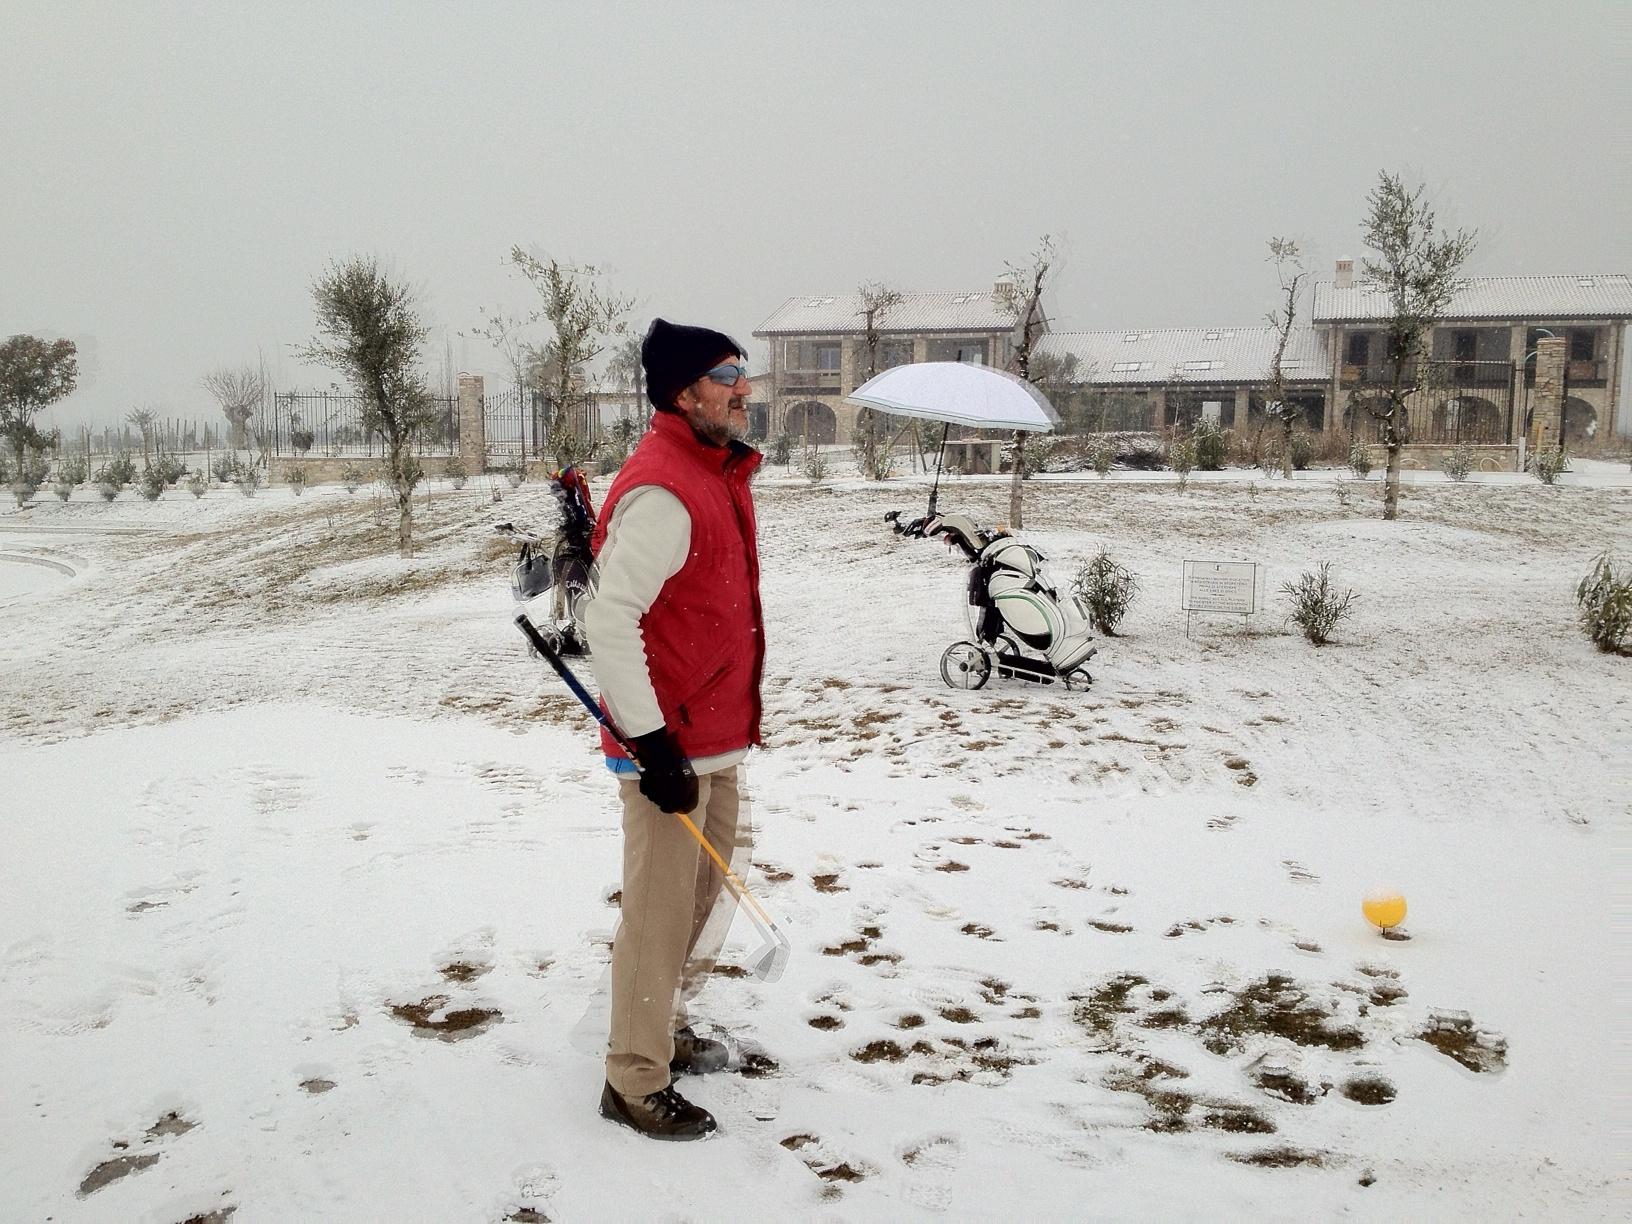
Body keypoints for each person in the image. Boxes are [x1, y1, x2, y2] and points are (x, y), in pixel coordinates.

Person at [584, 317, 764, 1140]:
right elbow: (608, 618)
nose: (742, 388)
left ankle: (661, 1026)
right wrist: (652, 744)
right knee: (658, 918)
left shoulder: (712, 472)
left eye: (741, 372)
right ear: (685, 393)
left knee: (696, 903)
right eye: (726, 375)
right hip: (671, 747)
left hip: (714, 737)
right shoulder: (664, 489)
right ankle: (633, 1079)